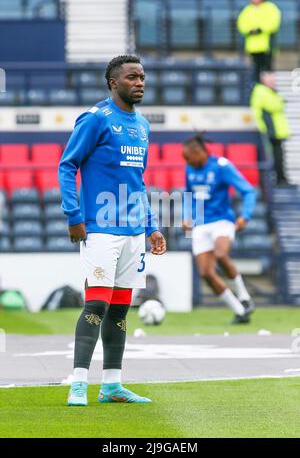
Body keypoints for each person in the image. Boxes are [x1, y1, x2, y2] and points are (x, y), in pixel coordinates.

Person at [58, 55, 166, 406]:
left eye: (142, 77)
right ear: (113, 82)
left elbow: (137, 182)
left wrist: (150, 226)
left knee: (120, 310)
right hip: (101, 229)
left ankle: (112, 385)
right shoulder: (95, 119)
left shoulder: (143, 126)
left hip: (134, 232)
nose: (140, 83)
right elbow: (67, 164)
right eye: (132, 77)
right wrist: (74, 215)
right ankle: (77, 384)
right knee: (96, 304)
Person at [182, 135, 256, 324]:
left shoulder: (222, 166)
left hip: (222, 221)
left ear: (200, 153)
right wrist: (186, 216)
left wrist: (245, 216)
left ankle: (245, 298)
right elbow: (188, 195)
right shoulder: (189, 168)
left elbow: (248, 190)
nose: (187, 162)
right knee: (206, 273)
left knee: (221, 254)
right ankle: (240, 311)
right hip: (200, 225)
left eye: (189, 158)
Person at [250, 71, 290, 185]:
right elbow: (257, 110)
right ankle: (275, 180)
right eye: (271, 80)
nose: (274, 82)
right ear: (264, 81)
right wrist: (262, 128)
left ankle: (281, 179)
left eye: (274, 80)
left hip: (277, 131)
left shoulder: (272, 92)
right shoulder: (261, 91)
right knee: (271, 157)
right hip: (269, 130)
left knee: (279, 156)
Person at [237, 0, 281, 82]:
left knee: (268, 68)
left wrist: (261, 29)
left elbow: (274, 22)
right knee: (256, 69)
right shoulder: (247, 9)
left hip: (267, 45)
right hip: (253, 47)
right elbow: (241, 23)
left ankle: (269, 87)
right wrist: (249, 30)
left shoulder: (270, 7)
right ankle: (257, 86)